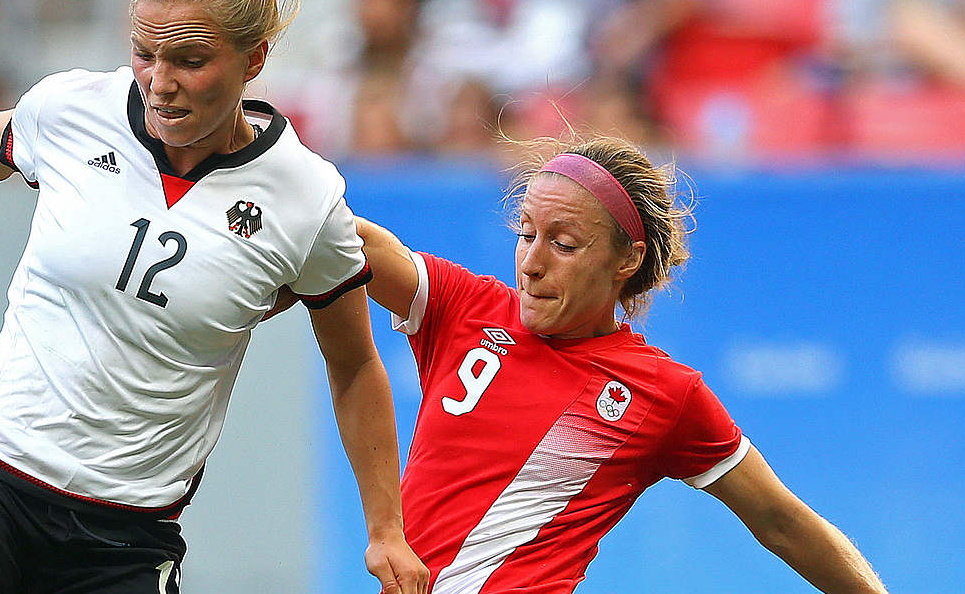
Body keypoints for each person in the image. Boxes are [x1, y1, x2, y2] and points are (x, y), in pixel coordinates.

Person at [0, 0, 430, 594]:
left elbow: (356, 364)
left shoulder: (303, 200)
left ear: (255, 59)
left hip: (123, 533)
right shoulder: (74, 109)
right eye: (144, 54)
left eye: (189, 61)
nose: (159, 83)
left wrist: (385, 530)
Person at [346, 136, 889, 593]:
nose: (531, 264)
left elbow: (783, 522)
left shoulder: (663, 393)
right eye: (526, 234)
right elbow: (350, 239)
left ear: (626, 259)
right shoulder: (464, 307)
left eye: (562, 244)